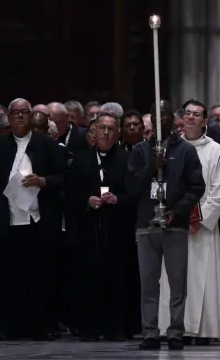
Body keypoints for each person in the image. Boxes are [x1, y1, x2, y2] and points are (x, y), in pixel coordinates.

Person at [0, 98, 66, 340]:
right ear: (9, 117)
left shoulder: (46, 145)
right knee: (9, 277)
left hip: (38, 221)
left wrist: (43, 181)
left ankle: (41, 326)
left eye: (24, 112)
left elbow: (63, 178)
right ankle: (9, 326)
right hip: (8, 222)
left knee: (40, 276)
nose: (19, 116)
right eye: (15, 113)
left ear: (31, 116)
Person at [125, 99, 205, 351]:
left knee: (177, 281)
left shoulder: (185, 150)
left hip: (175, 224)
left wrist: (178, 210)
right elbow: (131, 187)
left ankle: (175, 332)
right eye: (155, 115)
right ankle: (150, 331)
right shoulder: (139, 150)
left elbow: (197, 186)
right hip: (146, 224)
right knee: (148, 281)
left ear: (173, 118)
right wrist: (153, 166)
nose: (160, 120)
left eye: (165, 114)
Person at [159, 100, 220, 345]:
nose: (191, 118)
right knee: (174, 277)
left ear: (205, 121)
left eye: (196, 114)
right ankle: (174, 327)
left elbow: (218, 191)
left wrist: (197, 217)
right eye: (187, 113)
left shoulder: (216, 150)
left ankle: (203, 330)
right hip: (174, 223)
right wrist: (174, 213)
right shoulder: (169, 148)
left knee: (201, 276)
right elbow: (163, 185)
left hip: (201, 227)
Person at [67, 112, 136, 341]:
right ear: (93, 133)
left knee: (117, 278)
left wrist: (118, 199)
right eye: (102, 129)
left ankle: (116, 327)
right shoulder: (80, 159)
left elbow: (135, 193)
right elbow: (69, 193)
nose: (106, 133)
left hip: (117, 229)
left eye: (111, 129)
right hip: (89, 230)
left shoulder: (127, 159)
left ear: (118, 133)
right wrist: (87, 201)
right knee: (88, 277)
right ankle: (89, 326)